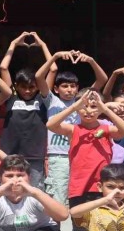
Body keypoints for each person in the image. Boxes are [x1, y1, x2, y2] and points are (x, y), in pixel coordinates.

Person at [46, 89, 124, 231]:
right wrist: (74, 107)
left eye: (93, 106)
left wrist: (105, 109)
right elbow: (51, 124)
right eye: (84, 106)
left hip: (104, 189)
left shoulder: (106, 128)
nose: (89, 110)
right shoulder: (73, 129)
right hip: (79, 189)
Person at [35, 50, 108, 207]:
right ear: (56, 89)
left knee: (80, 197)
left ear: (77, 88)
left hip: (80, 155)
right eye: (65, 86)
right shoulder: (52, 101)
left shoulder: (84, 100)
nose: (69, 89)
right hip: (59, 156)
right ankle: (59, 224)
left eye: (73, 86)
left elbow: (102, 79)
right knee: (58, 199)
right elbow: (39, 77)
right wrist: (55, 57)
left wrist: (91, 60)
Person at [0, 31, 56, 189]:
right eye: (23, 87)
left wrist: (42, 45)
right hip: (11, 153)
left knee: (35, 190)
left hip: (35, 154)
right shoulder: (10, 96)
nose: (28, 91)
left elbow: (52, 69)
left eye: (32, 87)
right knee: (10, 189)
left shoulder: (43, 98)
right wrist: (13, 44)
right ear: (16, 86)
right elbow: (3, 67)